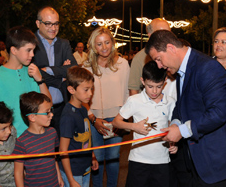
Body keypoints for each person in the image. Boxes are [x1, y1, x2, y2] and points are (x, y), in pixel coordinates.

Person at [145, 30, 226, 186]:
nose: (159, 66)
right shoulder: (183, 68)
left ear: (171, 48)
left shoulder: (208, 67)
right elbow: (181, 105)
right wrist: (175, 123)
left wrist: (181, 131)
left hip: (215, 160)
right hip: (197, 158)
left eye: (159, 59)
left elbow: (218, 113)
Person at [112, 61, 177, 187]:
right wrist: (134, 126)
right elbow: (116, 122)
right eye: (150, 86)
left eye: (158, 86)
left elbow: (171, 126)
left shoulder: (170, 102)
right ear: (142, 81)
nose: (154, 91)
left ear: (164, 82)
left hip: (162, 160)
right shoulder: (134, 101)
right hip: (139, 160)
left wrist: (173, 143)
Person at [0, 26, 51, 137]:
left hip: (35, 135)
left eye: (33, 50)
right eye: (28, 50)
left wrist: (40, 80)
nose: (32, 54)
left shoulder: (33, 72)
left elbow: (49, 105)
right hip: (10, 138)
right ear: (14, 50)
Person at [83, 27, 129, 187]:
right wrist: (92, 118)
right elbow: (82, 97)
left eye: (107, 42)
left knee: (113, 159)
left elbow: (127, 94)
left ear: (112, 42)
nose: (104, 47)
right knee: (96, 159)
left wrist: (121, 119)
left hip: (116, 119)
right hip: (94, 119)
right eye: (99, 44)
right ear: (93, 46)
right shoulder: (86, 66)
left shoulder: (123, 64)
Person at [33, 6, 77, 134]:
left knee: (61, 149)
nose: (53, 28)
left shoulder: (64, 44)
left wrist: (48, 69)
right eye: (48, 24)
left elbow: (73, 68)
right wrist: (61, 77)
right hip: (38, 111)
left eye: (56, 24)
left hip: (62, 107)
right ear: (38, 23)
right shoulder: (30, 43)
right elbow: (33, 72)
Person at [60, 66, 98, 187]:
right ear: (71, 89)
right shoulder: (68, 116)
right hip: (73, 171)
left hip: (84, 165)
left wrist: (92, 156)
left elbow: (87, 136)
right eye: (86, 89)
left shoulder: (82, 109)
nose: (90, 93)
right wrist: (71, 180)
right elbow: (63, 150)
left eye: (91, 89)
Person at [14, 92, 63, 187]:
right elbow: (18, 173)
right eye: (47, 112)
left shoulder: (52, 133)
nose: (52, 115)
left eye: (51, 110)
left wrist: (59, 176)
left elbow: (53, 158)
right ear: (32, 117)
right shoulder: (22, 142)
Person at [129, 18, 171, 95]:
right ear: (150, 36)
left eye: (168, 33)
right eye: (161, 34)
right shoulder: (139, 58)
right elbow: (134, 90)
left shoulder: (174, 55)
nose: (166, 37)